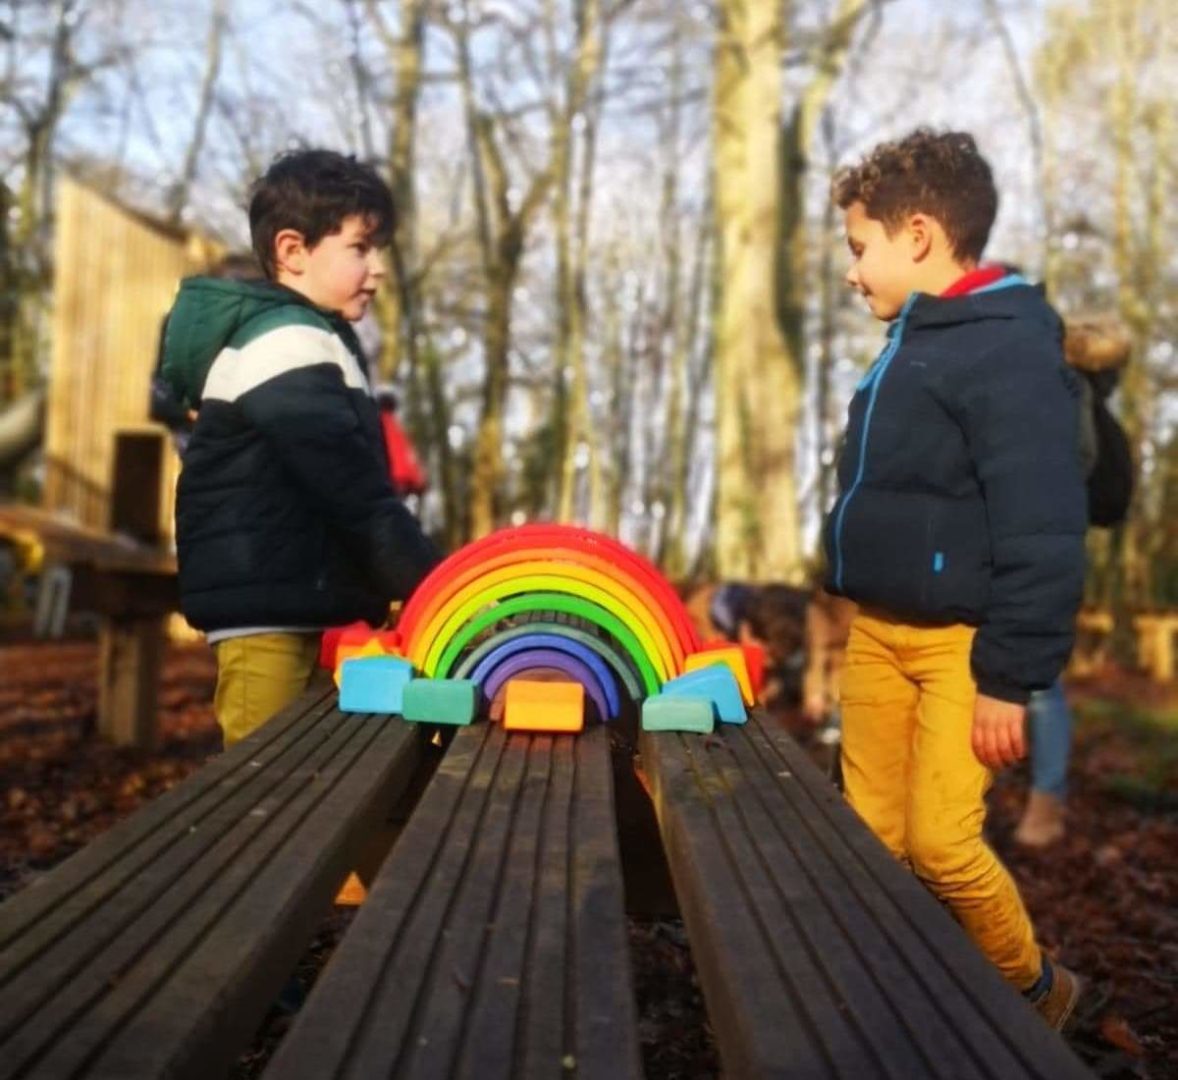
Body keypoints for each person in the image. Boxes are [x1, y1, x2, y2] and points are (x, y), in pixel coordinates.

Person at [823, 128, 1087, 1030]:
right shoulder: (913, 337)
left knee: (941, 843)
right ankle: (893, 993)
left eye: (862, 248)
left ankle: (1034, 991)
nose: (853, 272)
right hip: (877, 634)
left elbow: (1043, 527)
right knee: (870, 839)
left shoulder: (1006, 350)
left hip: (958, 650)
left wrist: (1010, 679)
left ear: (921, 235)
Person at [161, 149, 440, 748]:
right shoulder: (287, 343)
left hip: (302, 603)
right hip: (269, 613)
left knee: (308, 778)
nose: (379, 267)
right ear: (293, 251)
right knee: (260, 785)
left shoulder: (316, 339)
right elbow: (352, 493)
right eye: (360, 248)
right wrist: (434, 584)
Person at [1015, 312, 1134, 847]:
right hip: (1060, 554)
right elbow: (1111, 503)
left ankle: (1042, 805)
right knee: (1041, 682)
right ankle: (1045, 802)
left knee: (1033, 682)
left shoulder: (1059, 396)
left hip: (1029, 552)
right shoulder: (1095, 409)